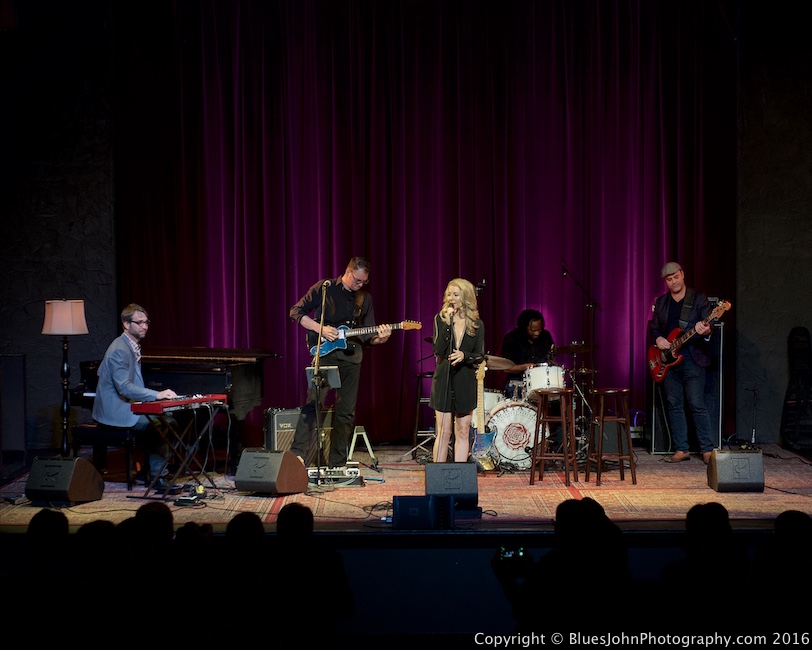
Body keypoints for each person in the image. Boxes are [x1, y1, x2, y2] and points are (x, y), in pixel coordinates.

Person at [289, 257, 392, 468]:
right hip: (325, 355)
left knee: (346, 411)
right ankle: (297, 455)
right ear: (347, 272)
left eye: (364, 282)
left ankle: (338, 463)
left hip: (352, 357)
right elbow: (296, 312)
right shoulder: (325, 288)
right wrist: (321, 329)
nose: (359, 285)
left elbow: (369, 335)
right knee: (314, 403)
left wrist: (382, 338)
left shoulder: (365, 299)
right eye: (357, 280)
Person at [92, 304, 178, 487]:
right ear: (126, 324)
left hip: (127, 404)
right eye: (139, 323)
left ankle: (148, 471)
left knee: (170, 418)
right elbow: (124, 388)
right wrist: (157, 395)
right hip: (114, 410)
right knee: (160, 424)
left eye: (146, 322)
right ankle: (157, 477)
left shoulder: (131, 345)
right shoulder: (119, 349)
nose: (145, 326)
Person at [648, 262, 716, 464]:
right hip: (668, 361)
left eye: (676, 277)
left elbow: (709, 323)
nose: (673, 281)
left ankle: (707, 450)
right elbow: (654, 329)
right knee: (674, 405)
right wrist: (658, 339)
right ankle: (681, 449)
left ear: (683, 275)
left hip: (692, 359)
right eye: (669, 279)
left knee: (696, 404)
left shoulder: (698, 298)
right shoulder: (661, 302)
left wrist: (707, 330)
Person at [430, 278, 485, 463]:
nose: (451, 298)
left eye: (456, 294)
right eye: (449, 294)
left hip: (465, 378)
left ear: (466, 297)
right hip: (444, 377)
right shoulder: (440, 319)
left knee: (463, 430)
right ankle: (438, 479)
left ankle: (460, 478)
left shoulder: (477, 324)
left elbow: (479, 355)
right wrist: (446, 324)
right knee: (444, 431)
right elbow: (438, 349)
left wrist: (465, 356)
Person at [499, 308, 556, 398]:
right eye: (533, 331)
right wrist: (527, 366)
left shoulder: (545, 336)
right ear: (524, 327)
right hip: (517, 382)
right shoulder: (511, 338)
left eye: (539, 330)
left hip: (541, 382)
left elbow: (551, 359)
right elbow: (506, 368)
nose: (537, 333)